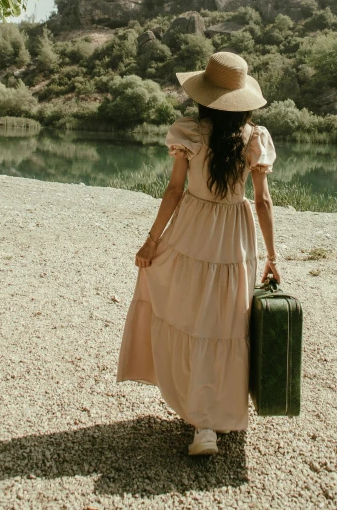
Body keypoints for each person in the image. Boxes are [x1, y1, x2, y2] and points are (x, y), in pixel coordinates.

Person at [116, 51, 279, 456]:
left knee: (191, 316)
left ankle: (201, 420)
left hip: (192, 229)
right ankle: (213, 418)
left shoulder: (188, 132)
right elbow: (263, 203)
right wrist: (273, 256)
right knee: (226, 323)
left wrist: (153, 241)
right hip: (235, 237)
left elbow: (173, 192)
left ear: (204, 96)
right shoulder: (255, 139)